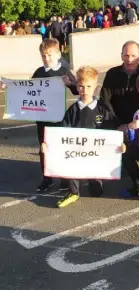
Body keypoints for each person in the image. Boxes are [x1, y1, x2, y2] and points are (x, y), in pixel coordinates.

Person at [42, 66, 125, 208]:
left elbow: (112, 130)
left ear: (95, 87)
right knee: (71, 163)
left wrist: (120, 144)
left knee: (96, 192)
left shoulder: (102, 109)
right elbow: (62, 132)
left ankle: (96, 181)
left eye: (88, 86)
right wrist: (48, 144)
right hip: (76, 152)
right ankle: (73, 191)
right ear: (77, 86)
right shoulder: (73, 110)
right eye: (81, 86)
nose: (84, 90)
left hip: (95, 155)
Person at [32, 39, 78, 192]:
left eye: (50, 55)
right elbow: (27, 90)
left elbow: (77, 90)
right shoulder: (39, 72)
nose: (47, 59)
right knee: (44, 149)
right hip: (42, 119)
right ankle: (47, 178)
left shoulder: (63, 71)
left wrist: (70, 83)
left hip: (59, 118)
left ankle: (64, 178)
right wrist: (10, 87)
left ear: (58, 54)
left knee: (60, 147)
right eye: (43, 56)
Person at [100, 41, 139, 127]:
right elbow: (105, 100)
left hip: (138, 124)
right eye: (126, 55)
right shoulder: (112, 74)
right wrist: (116, 123)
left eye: (133, 56)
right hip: (114, 124)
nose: (129, 60)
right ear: (121, 56)